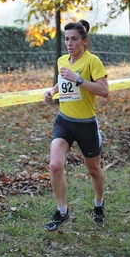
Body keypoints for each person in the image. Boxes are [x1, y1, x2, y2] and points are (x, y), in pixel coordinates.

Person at [43, 20, 109, 231]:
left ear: (84, 41)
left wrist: (78, 79)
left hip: (86, 124)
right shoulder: (62, 59)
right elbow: (64, 80)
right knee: (55, 165)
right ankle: (62, 211)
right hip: (64, 121)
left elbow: (104, 91)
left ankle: (98, 204)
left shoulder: (93, 61)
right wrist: (52, 91)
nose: (69, 44)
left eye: (74, 39)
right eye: (67, 39)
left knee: (93, 170)